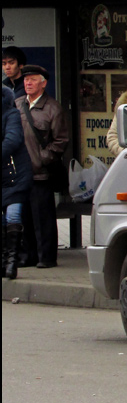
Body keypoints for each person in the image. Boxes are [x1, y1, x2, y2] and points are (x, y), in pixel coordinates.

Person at [15, 64, 70, 270]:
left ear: (43, 83)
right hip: (21, 173)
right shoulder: (18, 104)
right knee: (25, 218)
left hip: (41, 173)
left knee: (43, 218)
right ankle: (28, 256)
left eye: (33, 80)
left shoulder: (52, 108)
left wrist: (40, 159)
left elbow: (61, 141)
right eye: (26, 79)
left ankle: (46, 257)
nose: (28, 83)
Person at [3, 86, 34, 279]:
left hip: (15, 174)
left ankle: (12, 263)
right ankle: (4, 261)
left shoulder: (11, 113)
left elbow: (13, 139)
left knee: (13, 215)